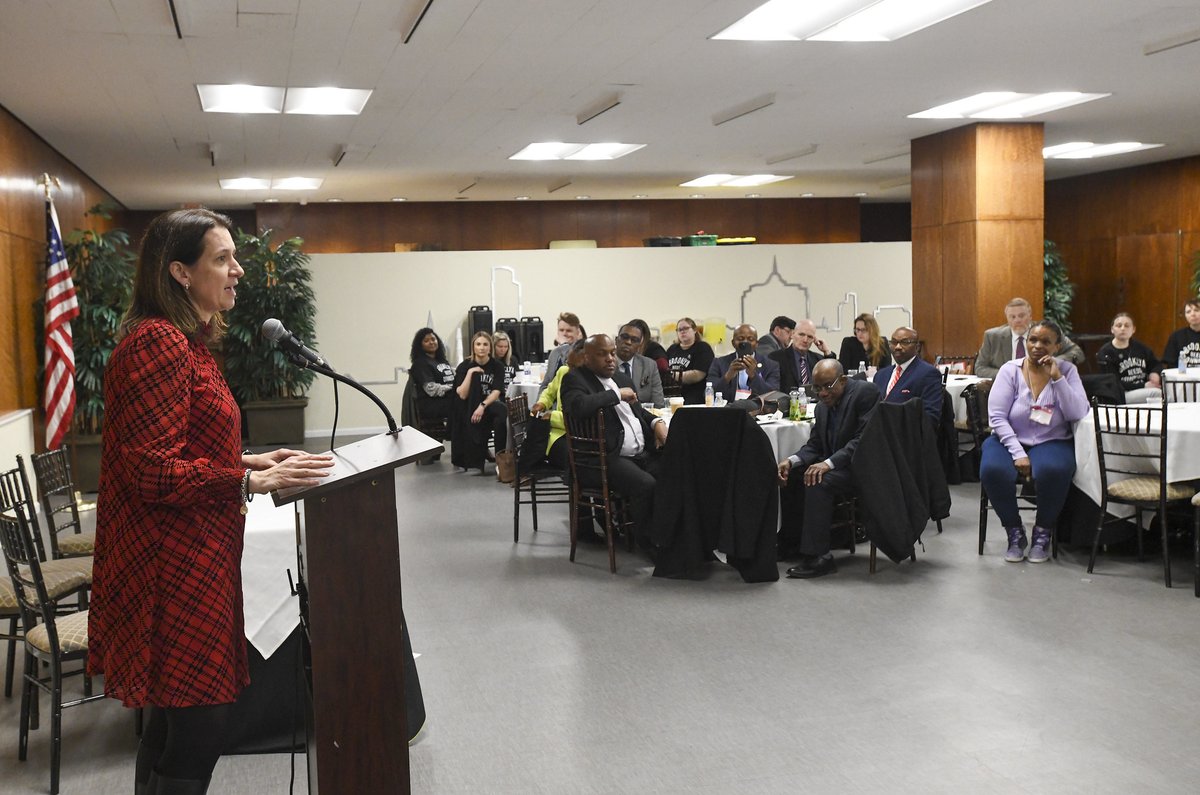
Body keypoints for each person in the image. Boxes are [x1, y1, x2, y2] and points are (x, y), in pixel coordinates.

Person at [89, 209, 333, 795]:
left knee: (177, 721)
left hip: (197, 556)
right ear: (178, 271)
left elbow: (181, 443)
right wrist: (245, 483)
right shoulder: (158, 344)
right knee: (199, 724)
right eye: (221, 259)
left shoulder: (189, 345)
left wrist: (252, 460)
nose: (237, 271)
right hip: (170, 568)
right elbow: (151, 472)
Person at [980, 319, 1089, 563]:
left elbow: (1078, 412)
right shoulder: (1010, 370)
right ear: (1026, 342)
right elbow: (997, 417)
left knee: (1054, 470)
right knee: (993, 470)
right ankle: (1014, 532)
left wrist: (1058, 378)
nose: (1038, 346)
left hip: (1052, 439)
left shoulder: (1068, 371)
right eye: (1033, 340)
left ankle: (1043, 533)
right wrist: (1018, 452)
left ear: (1057, 346)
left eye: (1045, 341)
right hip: (1008, 438)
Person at [557, 334, 668, 547]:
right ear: (587, 358)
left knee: (673, 474)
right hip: (603, 457)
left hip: (639, 453)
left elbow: (639, 414)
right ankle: (645, 542)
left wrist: (657, 423)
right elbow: (578, 406)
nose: (610, 359)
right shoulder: (575, 379)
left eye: (612, 353)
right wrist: (616, 395)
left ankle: (669, 538)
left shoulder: (621, 379)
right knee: (646, 485)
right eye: (602, 354)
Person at [776, 360, 879, 578]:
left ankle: (820, 557)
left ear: (842, 380)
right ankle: (792, 543)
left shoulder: (865, 393)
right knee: (792, 475)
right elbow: (815, 445)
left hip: (864, 467)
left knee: (818, 480)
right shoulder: (823, 407)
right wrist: (792, 460)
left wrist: (827, 463)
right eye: (817, 388)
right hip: (840, 466)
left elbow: (863, 440)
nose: (822, 393)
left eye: (827, 386)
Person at [975, 297, 1084, 378]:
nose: (1017, 320)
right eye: (1012, 317)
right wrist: (1010, 374)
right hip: (1006, 387)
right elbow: (980, 368)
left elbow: (1077, 352)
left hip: (1044, 384)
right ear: (1007, 319)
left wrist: (1055, 362)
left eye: (1021, 316)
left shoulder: (1048, 332)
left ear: (1030, 316)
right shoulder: (993, 336)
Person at [452, 331, 508, 473]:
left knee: (501, 416)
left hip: (487, 405)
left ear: (490, 347)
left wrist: (482, 406)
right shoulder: (464, 366)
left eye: (485, 344)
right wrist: (470, 373)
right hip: (468, 407)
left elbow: (496, 391)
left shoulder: (497, 366)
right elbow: (462, 394)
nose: (481, 348)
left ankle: (501, 460)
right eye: (478, 344)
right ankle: (476, 457)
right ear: (473, 347)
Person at [872, 326, 943, 422]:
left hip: (906, 432)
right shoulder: (880, 375)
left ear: (917, 347)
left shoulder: (928, 373)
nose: (897, 347)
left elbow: (930, 417)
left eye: (905, 342)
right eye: (894, 342)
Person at [707, 323, 781, 406]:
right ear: (733, 343)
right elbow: (708, 394)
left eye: (750, 339)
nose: (745, 342)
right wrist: (728, 376)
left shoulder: (771, 365)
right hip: (727, 410)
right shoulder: (719, 362)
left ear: (757, 344)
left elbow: (773, 396)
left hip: (757, 412)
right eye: (740, 338)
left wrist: (753, 375)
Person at [1096, 312, 1162, 402]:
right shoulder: (1106, 352)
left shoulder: (1140, 348)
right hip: (1121, 393)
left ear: (1133, 329)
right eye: (1119, 326)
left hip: (1143, 388)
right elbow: (1113, 382)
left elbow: (1156, 364)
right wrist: (1143, 386)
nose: (1123, 328)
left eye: (1127, 326)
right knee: (1158, 394)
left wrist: (1155, 373)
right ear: (1112, 329)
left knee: (1165, 393)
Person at [771, 318, 834, 392]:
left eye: (810, 337)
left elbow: (832, 377)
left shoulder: (818, 360)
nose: (805, 340)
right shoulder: (776, 358)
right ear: (792, 334)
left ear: (814, 340)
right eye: (801, 334)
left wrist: (827, 352)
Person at [407, 327, 455, 423]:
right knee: (463, 406)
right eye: (426, 341)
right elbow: (431, 389)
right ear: (420, 345)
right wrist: (452, 388)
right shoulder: (420, 364)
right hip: (432, 404)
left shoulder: (442, 361)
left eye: (433, 339)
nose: (431, 342)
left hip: (449, 399)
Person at [665, 317, 716, 404]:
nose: (682, 331)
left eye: (685, 328)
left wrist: (671, 375)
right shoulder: (672, 349)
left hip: (694, 396)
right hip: (672, 396)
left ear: (695, 330)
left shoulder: (702, 348)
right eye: (679, 329)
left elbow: (697, 375)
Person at [615, 322, 666, 407]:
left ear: (639, 346)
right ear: (616, 340)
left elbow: (658, 404)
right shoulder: (605, 363)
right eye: (624, 337)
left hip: (644, 417)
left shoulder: (649, 365)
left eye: (634, 340)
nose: (628, 342)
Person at [539, 311, 584, 389]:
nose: (564, 333)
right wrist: (539, 401)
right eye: (561, 330)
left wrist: (564, 345)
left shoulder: (583, 352)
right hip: (552, 399)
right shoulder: (554, 353)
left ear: (577, 332)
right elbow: (546, 384)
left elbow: (570, 372)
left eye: (569, 330)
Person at [1161, 299, 1200, 370]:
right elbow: (1170, 364)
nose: (1193, 314)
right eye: (1188, 312)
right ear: (1185, 315)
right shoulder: (1176, 336)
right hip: (1183, 378)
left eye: (1196, 310)